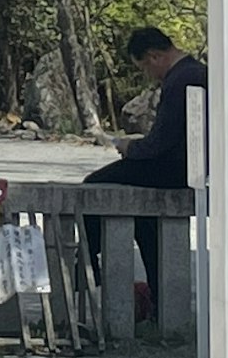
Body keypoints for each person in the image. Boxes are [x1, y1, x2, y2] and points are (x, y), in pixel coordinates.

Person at [81, 25, 206, 317]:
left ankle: (87, 262)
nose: (150, 75)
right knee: (145, 223)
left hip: (172, 168)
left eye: (145, 68)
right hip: (186, 164)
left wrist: (130, 148)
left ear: (154, 56)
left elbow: (162, 140)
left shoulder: (181, 79)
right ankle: (159, 300)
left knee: (93, 186)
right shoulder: (195, 72)